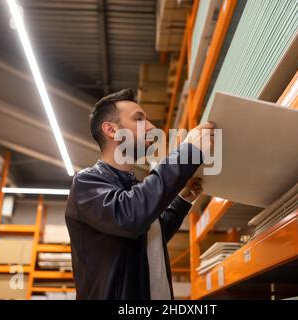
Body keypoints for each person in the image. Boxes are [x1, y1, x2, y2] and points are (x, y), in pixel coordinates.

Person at [65, 88, 214, 300]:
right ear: (111, 129)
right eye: (139, 119)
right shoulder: (86, 183)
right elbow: (130, 217)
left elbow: (150, 234)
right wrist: (187, 154)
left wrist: (182, 199)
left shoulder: (134, 188)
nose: (152, 127)